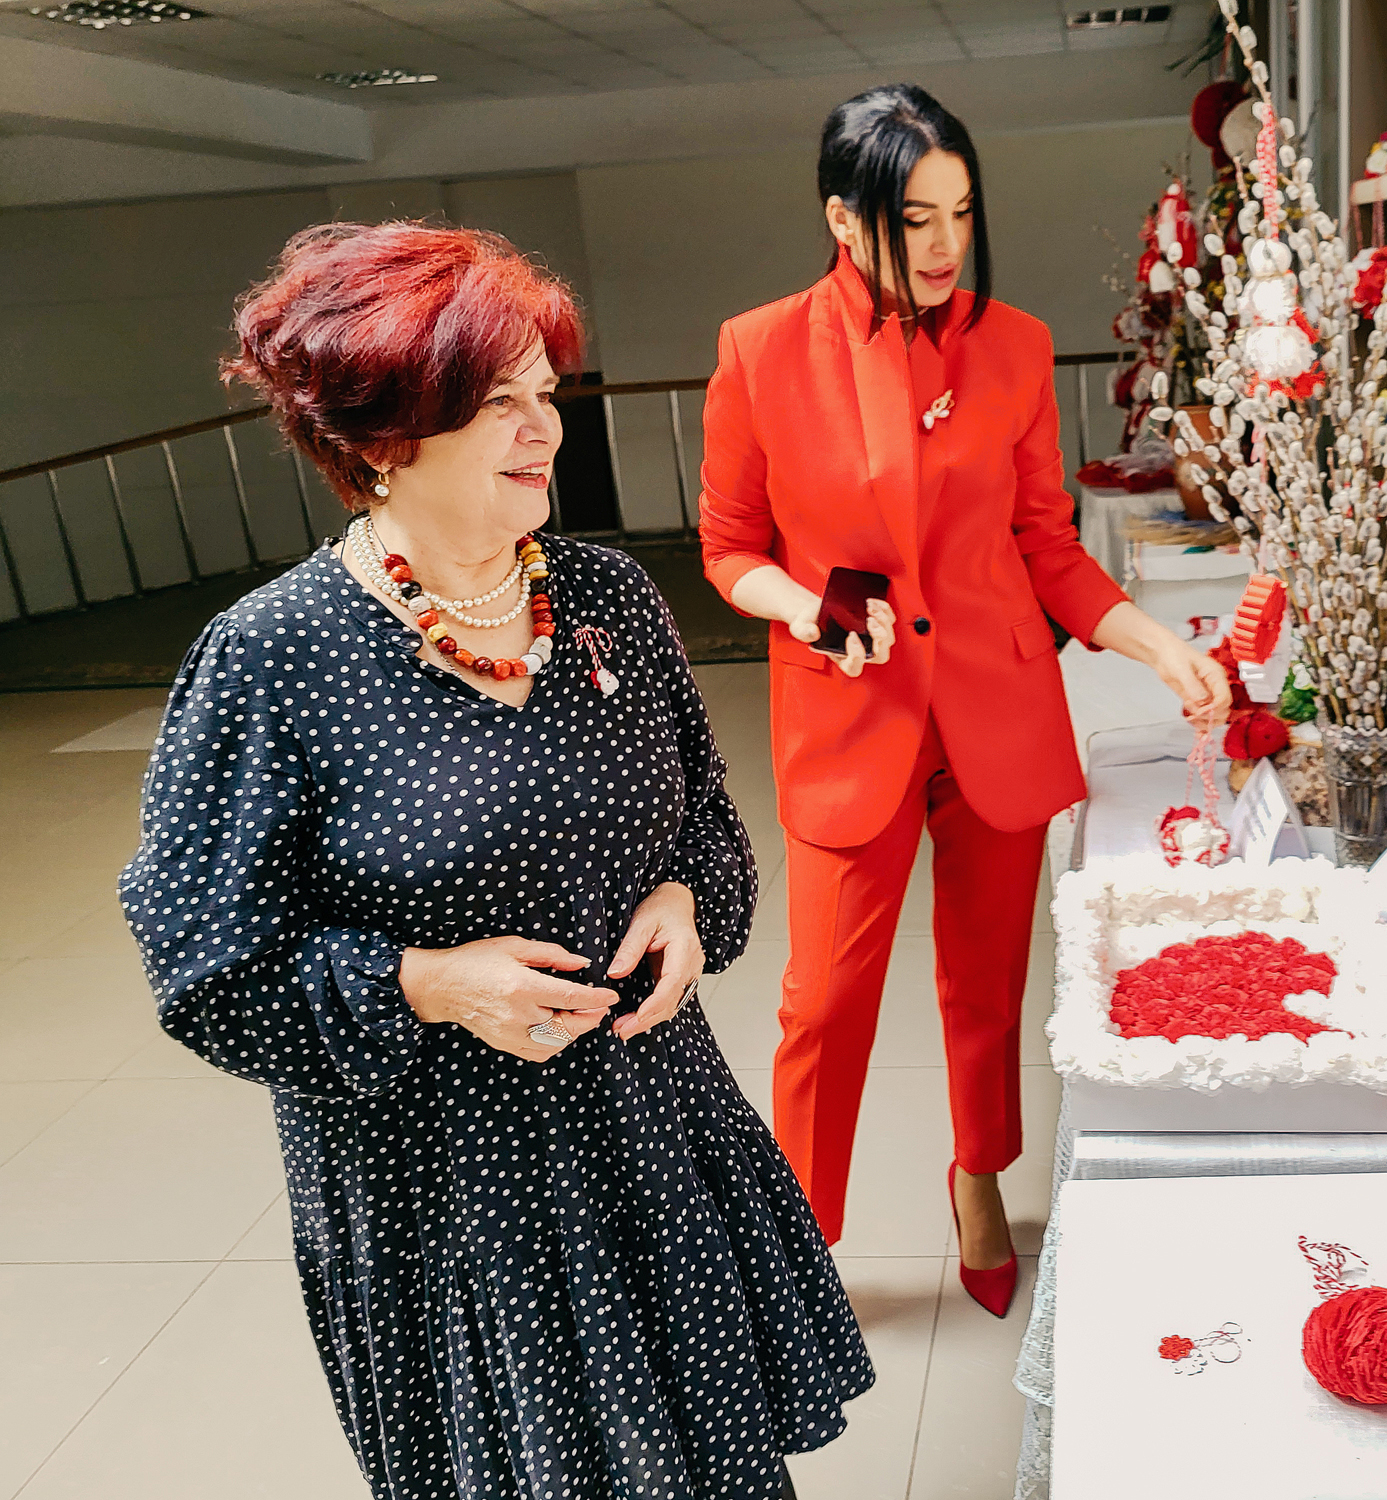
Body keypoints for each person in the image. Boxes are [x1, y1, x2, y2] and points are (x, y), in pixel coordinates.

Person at [118, 222, 870, 1500]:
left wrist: (686, 901)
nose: (544, 431)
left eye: (545, 393)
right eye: (495, 403)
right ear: (378, 438)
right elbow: (205, 971)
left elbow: (703, 818)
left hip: (651, 1142)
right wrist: (425, 983)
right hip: (453, 1205)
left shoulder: (607, 599)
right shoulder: (271, 658)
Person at [699, 84, 1230, 1318]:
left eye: (960, 213)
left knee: (986, 988)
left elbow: (1045, 542)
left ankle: (978, 1177)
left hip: (995, 711)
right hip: (851, 718)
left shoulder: (1014, 346)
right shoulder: (761, 351)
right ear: (843, 219)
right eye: (913, 220)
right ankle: (802, 1234)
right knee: (823, 1001)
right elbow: (729, 548)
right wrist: (805, 607)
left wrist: (1152, 642)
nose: (944, 246)